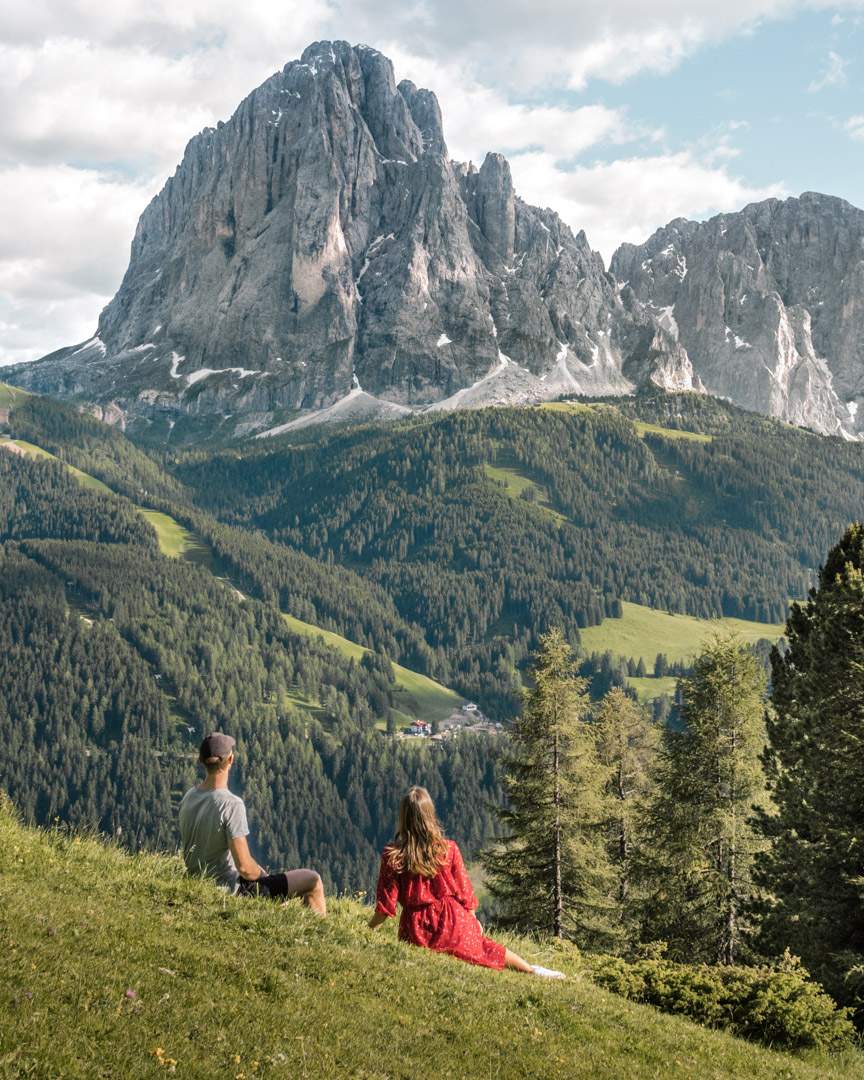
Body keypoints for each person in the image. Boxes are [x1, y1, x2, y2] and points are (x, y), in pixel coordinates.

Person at [368, 786, 564, 979]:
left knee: (469, 950)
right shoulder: (448, 849)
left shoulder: (394, 856)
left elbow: (385, 907)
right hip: (452, 922)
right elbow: (465, 894)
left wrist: (368, 931)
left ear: (404, 818)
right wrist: (473, 922)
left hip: (416, 931)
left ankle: (531, 971)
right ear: (430, 816)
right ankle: (531, 971)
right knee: (484, 947)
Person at [178, 732, 326, 915]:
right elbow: (245, 868)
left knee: (271, 884)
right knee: (313, 880)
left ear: (201, 760)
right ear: (230, 760)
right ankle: (318, 936)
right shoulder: (231, 804)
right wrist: (264, 877)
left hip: (197, 881)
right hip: (230, 890)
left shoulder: (189, 797)